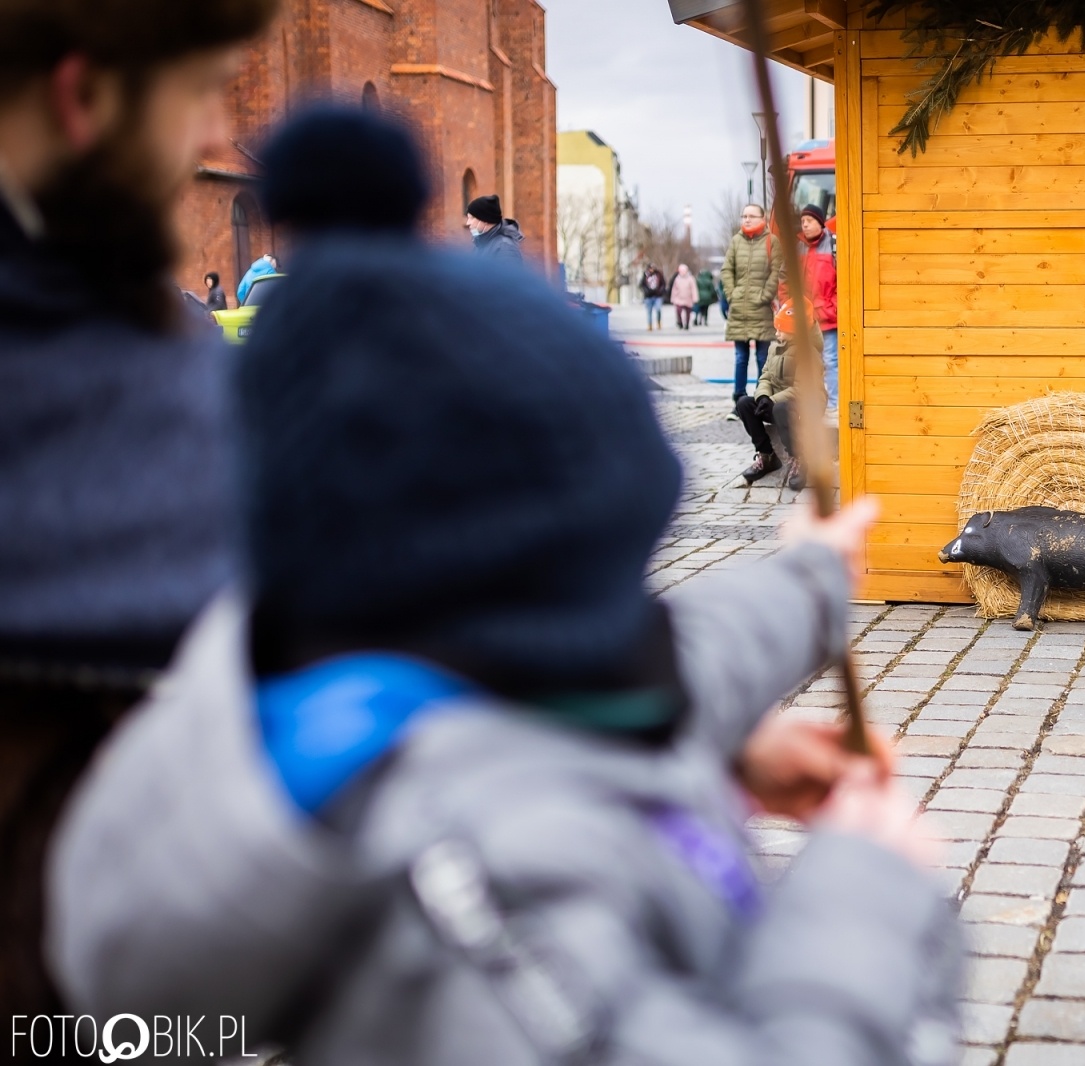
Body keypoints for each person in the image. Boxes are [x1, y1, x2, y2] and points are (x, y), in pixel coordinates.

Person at [48, 115, 963, 1064]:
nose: (625, 609)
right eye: (606, 564)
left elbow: (688, 654)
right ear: (522, 582)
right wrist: (867, 896)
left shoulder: (401, 666)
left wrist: (810, 580)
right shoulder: (482, 875)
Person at [0, 0, 280, 1017]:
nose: (218, 139)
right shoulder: (92, 373)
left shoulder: (140, 334)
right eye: (204, 92)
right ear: (82, 97)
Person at [736, 300, 822, 491]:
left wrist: (773, 401)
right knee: (744, 404)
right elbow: (765, 376)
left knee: (782, 408)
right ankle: (767, 456)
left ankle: (799, 458)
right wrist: (763, 397)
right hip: (778, 403)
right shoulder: (774, 348)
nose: (776, 333)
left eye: (781, 329)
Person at [721, 203, 779, 409]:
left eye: (751, 216)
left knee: (763, 357)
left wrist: (765, 295)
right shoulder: (736, 241)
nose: (746, 219)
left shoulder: (772, 242)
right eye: (744, 215)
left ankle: (760, 400)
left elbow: (777, 271)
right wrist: (732, 294)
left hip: (762, 310)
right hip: (739, 310)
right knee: (740, 357)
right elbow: (726, 269)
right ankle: (739, 400)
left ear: (762, 218)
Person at [789, 203, 839, 411]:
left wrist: (833, 308)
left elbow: (843, 281)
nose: (805, 225)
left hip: (827, 318)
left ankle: (834, 403)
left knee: (830, 360)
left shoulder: (835, 246)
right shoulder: (798, 247)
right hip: (805, 319)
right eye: (802, 222)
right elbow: (788, 280)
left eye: (809, 221)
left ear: (820, 222)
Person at [464, 194, 524, 262]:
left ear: (485, 219)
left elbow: (509, 272)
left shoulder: (505, 248)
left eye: (472, 218)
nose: (468, 223)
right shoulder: (480, 243)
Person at [669, 261, 696, 330]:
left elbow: (694, 289)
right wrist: (673, 298)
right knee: (678, 311)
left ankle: (687, 324)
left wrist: (695, 298)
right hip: (679, 298)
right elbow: (674, 289)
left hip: (688, 298)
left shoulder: (691, 279)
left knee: (688, 312)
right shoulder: (677, 279)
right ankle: (680, 322)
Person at [640, 262, 667, 330]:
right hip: (648, 296)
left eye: (653, 268)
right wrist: (646, 290)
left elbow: (663, 284)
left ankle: (658, 322)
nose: (652, 269)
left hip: (657, 296)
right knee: (649, 311)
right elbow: (642, 285)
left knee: (658, 309)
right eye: (651, 268)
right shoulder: (645, 275)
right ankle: (650, 325)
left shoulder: (659, 274)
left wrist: (661, 291)